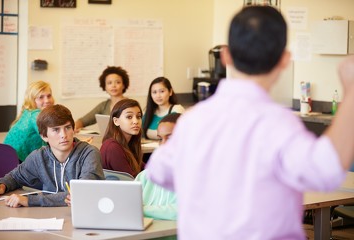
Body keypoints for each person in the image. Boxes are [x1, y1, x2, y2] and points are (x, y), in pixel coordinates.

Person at [146, 6, 354, 239]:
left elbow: (158, 172)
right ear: (285, 60)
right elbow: (327, 171)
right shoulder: (278, 124)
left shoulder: (193, 119)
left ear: (225, 56)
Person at [0, 104, 105, 208]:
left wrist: (30, 201)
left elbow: (82, 193)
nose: (63, 135)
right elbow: (15, 177)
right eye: (56, 130)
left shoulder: (89, 153)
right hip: (47, 217)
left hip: (80, 215)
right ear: (44, 136)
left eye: (67, 127)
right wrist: (2, 185)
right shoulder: (39, 157)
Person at [135, 113, 181, 220]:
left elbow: (182, 211)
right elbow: (128, 204)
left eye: (170, 138)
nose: (163, 144)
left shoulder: (195, 176)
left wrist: (142, 210)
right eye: (160, 139)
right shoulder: (146, 176)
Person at [4, 81, 55, 162]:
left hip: (6, 158)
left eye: (49, 96)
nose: (47, 100)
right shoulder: (36, 115)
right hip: (16, 163)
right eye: (41, 97)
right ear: (32, 100)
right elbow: (54, 138)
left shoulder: (28, 112)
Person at [75, 66, 130, 132]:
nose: (113, 86)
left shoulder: (131, 105)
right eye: (109, 83)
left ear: (123, 85)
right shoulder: (103, 105)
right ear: (105, 87)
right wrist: (75, 127)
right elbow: (82, 121)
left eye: (117, 82)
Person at [100, 99, 144, 177]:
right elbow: (131, 180)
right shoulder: (112, 147)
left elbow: (144, 168)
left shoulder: (129, 143)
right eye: (129, 117)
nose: (136, 121)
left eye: (138, 117)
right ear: (116, 121)